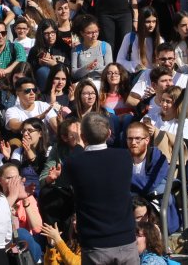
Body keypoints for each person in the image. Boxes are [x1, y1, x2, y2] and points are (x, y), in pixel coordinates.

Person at [61, 112, 138, 265]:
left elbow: (68, 172)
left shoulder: (74, 162)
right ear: (109, 133)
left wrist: (77, 145)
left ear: (83, 137)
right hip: (125, 241)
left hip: (95, 245)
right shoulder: (124, 157)